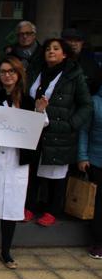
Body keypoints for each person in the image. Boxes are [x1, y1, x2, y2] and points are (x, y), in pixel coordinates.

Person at [0, 56, 49, 269]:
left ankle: (6, 252)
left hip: (15, 161)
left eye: (11, 71)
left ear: (19, 74)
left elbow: (37, 130)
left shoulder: (30, 101)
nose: (7, 75)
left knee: (11, 207)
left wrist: (40, 113)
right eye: (3, 71)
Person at [26, 38, 92, 226]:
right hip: (33, 130)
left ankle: (51, 211)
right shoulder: (35, 71)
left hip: (59, 132)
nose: (51, 51)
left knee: (56, 175)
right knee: (32, 170)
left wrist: (72, 124)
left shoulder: (73, 75)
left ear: (64, 54)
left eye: (56, 49)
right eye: (48, 49)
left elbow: (86, 105)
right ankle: (29, 206)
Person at [77, 85, 102, 259]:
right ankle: (98, 242)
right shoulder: (95, 102)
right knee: (100, 205)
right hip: (96, 160)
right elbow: (84, 131)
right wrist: (82, 156)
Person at [62, 28, 102, 95]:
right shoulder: (54, 61)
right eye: (69, 40)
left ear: (82, 43)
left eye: (77, 40)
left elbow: (95, 86)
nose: (73, 43)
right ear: (63, 42)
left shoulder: (91, 64)